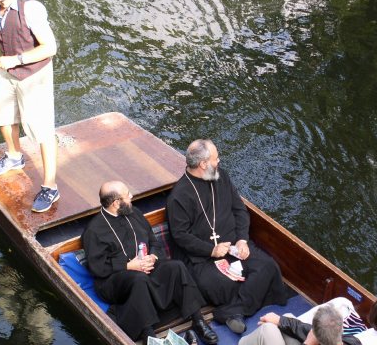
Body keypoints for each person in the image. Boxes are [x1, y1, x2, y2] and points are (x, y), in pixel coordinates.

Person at [166, 139, 290, 334]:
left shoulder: (221, 176)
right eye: (216, 158)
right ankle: (242, 306)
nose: (219, 161)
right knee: (223, 285)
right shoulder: (179, 196)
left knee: (268, 266)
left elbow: (239, 210)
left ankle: (230, 312)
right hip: (202, 258)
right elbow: (181, 236)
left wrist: (241, 238)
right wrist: (212, 250)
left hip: (234, 246)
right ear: (203, 164)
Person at [82, 181, 219, 345]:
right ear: (116, 203)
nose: (131, 196)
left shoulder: (135, 213)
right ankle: (149, 335)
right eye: (127, 194)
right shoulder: (93, 230)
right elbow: (97, 267)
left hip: (145, 267)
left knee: (176, 267)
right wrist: (129, 266)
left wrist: (152, 257)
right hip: (113, 280)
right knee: (139, 279)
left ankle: (198, 320)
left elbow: (154, 242)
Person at [0, 0, 59, 212]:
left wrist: (16, 60)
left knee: (42, 131)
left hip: (33, 73)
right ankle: (13, 156)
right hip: (7, 69)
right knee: (3, 117)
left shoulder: (31, 9)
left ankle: (50, 186)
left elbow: (50, 47)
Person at [239, 304, 359, 345]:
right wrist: (280, 320)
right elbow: (305, 329)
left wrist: (308, 343)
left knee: (268, 329)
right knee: (287, 318)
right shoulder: (352, 342)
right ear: (341, 330)